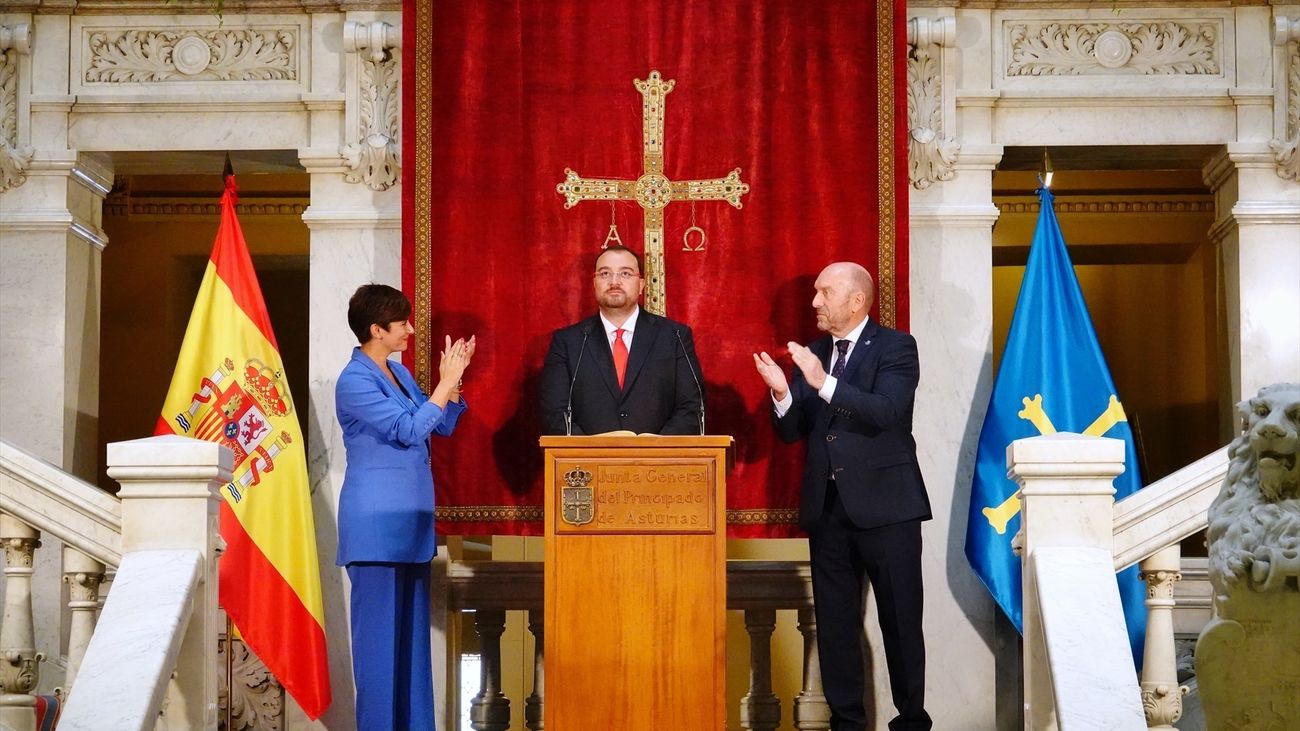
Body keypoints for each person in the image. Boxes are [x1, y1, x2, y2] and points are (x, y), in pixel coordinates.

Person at [753, 262, 932, 731]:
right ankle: (847, 723)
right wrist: (781, 396)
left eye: (824, 292)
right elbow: (794, 432)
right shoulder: (815, 351)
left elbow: (888, 413)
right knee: (835, 627)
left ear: (856, 300)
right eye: (814, 292)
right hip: (828, 512)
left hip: (888, 510)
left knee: (900, 622)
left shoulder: (896, 347)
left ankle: (911, 720)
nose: (814, 301)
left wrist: (823, 382)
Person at [335, 283, 474, 731]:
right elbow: (408, 430)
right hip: (375, 530)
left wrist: (453, 385)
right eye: (402, 324)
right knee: (378, 656)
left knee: (412, 654)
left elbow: (442, 424)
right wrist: (445, 384)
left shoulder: (398, 373)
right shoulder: (354, 380)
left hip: (410, 527)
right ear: (376, 329)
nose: (411, 330)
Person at [540, 245, 705, 435]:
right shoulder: (568, 342)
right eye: (605, 274)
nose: (614, 281)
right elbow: (555, 413)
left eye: (625, 274)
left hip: (659, 461)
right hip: (586, 462)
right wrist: (593, 454)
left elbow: (692, 407)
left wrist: (654, 451)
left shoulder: (674, 337)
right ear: (594, 283)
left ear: (642, 285)